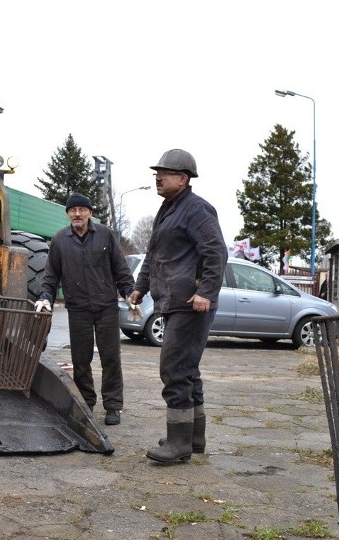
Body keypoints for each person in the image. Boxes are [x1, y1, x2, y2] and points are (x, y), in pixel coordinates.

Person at [129, 148, 227, 465]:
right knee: (187, 370)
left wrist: (207, 292)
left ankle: (178, 442)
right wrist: (139, 287)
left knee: (173, 369)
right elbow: (155, 255)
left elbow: (217, 253)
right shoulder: (168, 210)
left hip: (190, 303)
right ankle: (192, 437)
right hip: (172, 301)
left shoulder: (196, 210)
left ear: (183, 179)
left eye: (165, 173)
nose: (158, 176)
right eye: (157, 172)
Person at [35, 193, 134, 426]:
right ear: (68, 214)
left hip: (106, 307)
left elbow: (120, 269)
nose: (77, 214)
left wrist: (130, 293)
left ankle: (113, 406)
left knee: (111, 358)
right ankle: (86, 403)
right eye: (73, 210)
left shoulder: (105, 235)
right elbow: (51, 275)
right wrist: (46, 295)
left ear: (90, 212)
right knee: (80, 360)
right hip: (78, 308)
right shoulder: (60, 240)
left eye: (82, 209)